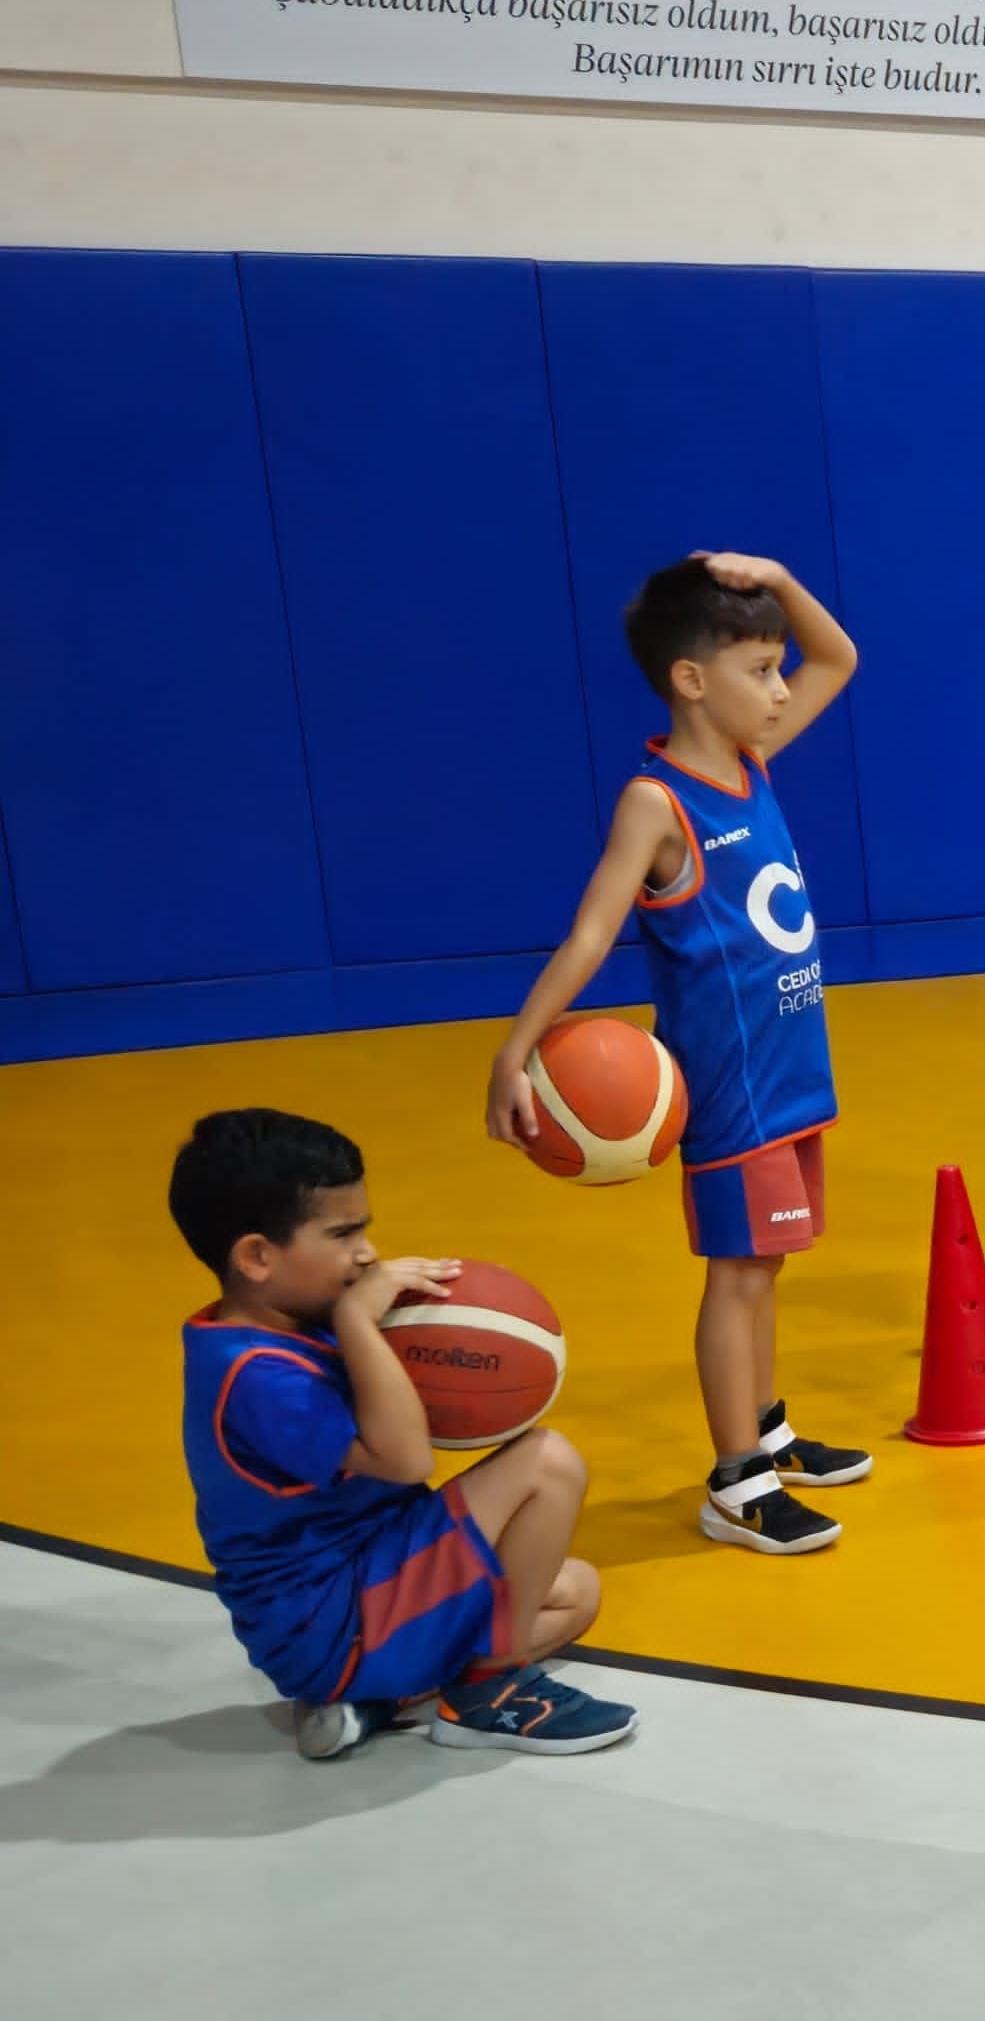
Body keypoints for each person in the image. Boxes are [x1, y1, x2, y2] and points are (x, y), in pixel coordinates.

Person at [486, 553, 867, 1556]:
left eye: (780, 669)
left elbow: (842, 653)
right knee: (736, 1276)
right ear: (692, 680)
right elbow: (587, 937)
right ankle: (735, 1483)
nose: (784, 687)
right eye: (759, 669)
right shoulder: (657, 805)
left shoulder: (754, 758)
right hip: (731, 1087)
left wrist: (778, 577)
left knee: (769, 1265)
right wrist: (514, 1053)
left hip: (795, 1072)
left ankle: (768, 1428)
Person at [172, 1109, 633, 1760]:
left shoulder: (294, 1321)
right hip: (335, 1620)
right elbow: (409, 1459)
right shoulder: (253, 1375)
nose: (366, 1253)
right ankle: (487, 1695)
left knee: (575, 1591)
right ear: (256, 1256)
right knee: (548, 1464)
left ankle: (376, 1703)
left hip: (368, 1584)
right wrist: (361, 1324)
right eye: (341, 1233)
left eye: (365, 1228)